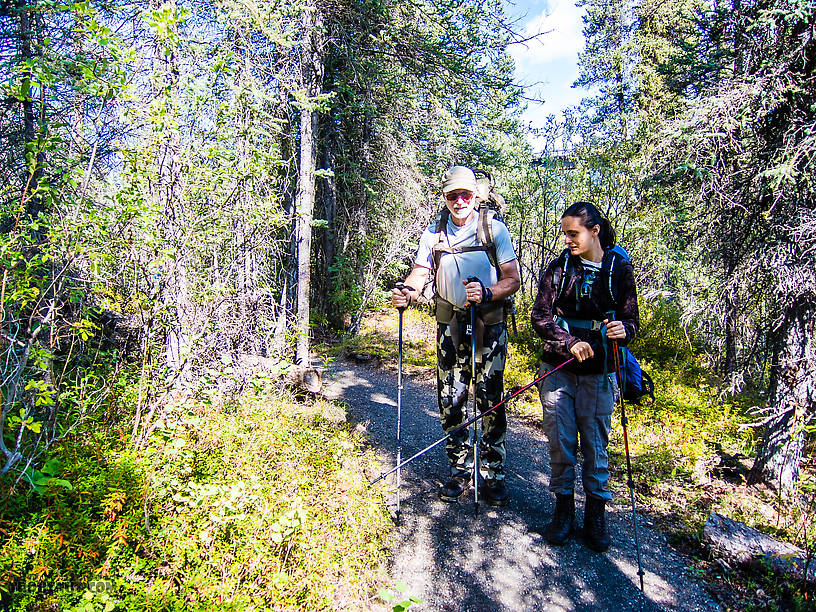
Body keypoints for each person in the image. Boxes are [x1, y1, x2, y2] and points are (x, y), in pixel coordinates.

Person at [392, 165, 520, 506]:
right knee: (451, 398)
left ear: (476, 196)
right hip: (449, 325)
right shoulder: (434, 234)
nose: (459, 201)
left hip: (488, 325)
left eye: (465, 194)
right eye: (452, 196)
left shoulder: (494, 229)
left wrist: (489, 293)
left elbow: (513, 278)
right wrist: (407, 290)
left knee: (490, 397)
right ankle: (460, 471)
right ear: (445, 198)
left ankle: (493, 474)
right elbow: (420, 272)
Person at [530, 201, 639, 551]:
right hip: (558, 370)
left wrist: (625, 330)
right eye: (565, 234)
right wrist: (570, 342)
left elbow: (631, 321)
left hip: (599, 372)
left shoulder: (619, 269)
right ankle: (563, 510)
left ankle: (595, 514)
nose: (567, 240)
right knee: (560, 442)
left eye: (573, 233)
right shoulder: (558, 268)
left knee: (595, 445)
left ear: (594, 231)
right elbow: (541, 318)